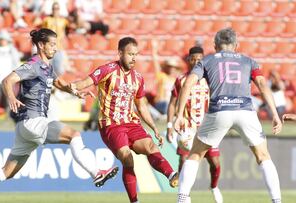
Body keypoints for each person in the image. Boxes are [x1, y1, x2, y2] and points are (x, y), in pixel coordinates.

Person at [0, 28, 118, 202]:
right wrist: (11, 98)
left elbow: (59, 83)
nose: (56, 48)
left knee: (6, 172)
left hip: (25, 128)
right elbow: (7, 80)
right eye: (52, 44)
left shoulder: (47, 66)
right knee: (74, 134)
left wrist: (75, 92)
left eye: (56, 44)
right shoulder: (33, 64)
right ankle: (96, 173)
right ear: (41, 45)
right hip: (33, 121)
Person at [174, 28, 282, 203]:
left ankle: (182, 198)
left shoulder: (207, 60)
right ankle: (277, 200)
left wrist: (179, 115)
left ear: (215, 46)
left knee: (195, 154)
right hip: (245, 110)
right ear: (236, 45)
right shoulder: (249, 61)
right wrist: (275, 114)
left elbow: (188, 84)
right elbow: (262, 84)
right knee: (263, 156)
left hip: (219, 110)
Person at [69, 37, 178, 203]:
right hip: (111, 125)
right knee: (127, 157)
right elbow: (85, 82)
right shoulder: (107, 70)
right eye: (130, 54)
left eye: (136, 54)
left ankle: (171, 174)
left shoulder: (138, 78)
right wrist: (72, 87)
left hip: (131, 123)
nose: (133, 58)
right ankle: (134, 201)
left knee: (150, 146)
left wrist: (154, 128)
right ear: (120, 53)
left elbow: (141, 106)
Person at [166, 46, 223, 203]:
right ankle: (184, 195)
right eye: (194, 59)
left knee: (215, 163)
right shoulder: (181, 80)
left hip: (206, 127)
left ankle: (214, 187)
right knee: (184, 161)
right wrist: (170, 125)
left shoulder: (209, 79)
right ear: (189, 60)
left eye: (200, 59)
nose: (197, 61)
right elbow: (172, 104)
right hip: (187, 128)